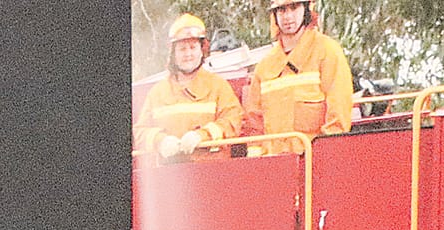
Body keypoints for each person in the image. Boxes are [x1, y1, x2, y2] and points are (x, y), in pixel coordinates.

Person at [244, 0, 354, 143]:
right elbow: (255, 124)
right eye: (282, 10)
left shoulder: (327, 52)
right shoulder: (265, 66)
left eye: (294, 8)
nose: (288, 16)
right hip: (274, 161)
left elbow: (338, 116)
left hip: (313, 160)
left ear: (307, 9)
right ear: (274, 15)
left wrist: (324, 153)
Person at [135, 14, 243, 159]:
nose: (188, 54)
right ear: (173, 53)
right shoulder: (157, 93)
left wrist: (202, 136)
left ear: (202, 50)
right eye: (182, 49)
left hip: (213, 172)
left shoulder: (219, 87)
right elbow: (140, 131)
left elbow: (233, 121)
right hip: (169, 175)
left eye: (192, 47)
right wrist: (160, 141)